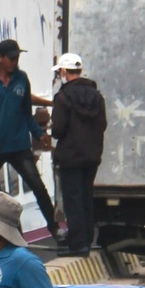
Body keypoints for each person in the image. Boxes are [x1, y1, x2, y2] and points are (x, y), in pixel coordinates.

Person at [0, 38, 58, 237]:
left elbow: (26, 113)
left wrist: (39, 133)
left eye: (17, 58)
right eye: (11, 58)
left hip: (18, 146)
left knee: (38, 186)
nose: (15, 62)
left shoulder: (22, 79)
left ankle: (54, 227)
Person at [50, 53, 108, 255]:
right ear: (80, 70)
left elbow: (57, 130)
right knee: (86, 197)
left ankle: (77, 244)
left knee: (72, 200)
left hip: (70, 156)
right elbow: (103, 124)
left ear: (64, 72)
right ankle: (87, 240)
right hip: (92, 156)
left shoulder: (63, 97)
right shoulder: (97, 97)